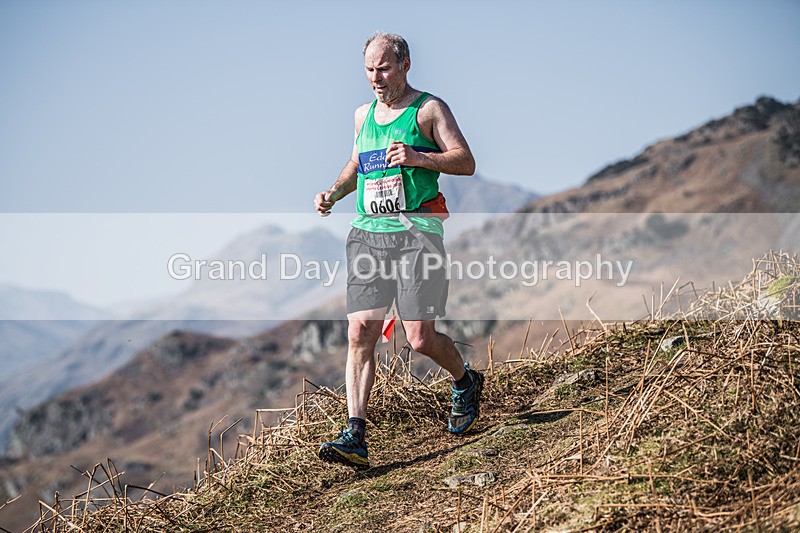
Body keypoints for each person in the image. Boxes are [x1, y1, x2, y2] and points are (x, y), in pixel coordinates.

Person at [313, 32, 483, 468]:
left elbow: (465, 161)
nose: (375, 77)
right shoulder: (361, 116)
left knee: (419, 338)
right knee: (360, 333)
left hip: (417, 232)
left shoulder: (429, 109)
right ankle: (355, 435)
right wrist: (334, 192)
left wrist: (419, 157)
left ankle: (465, 382)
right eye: (369, 69)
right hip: (369, 232)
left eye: (384, 68)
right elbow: (357, 164)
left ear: (405, 65)